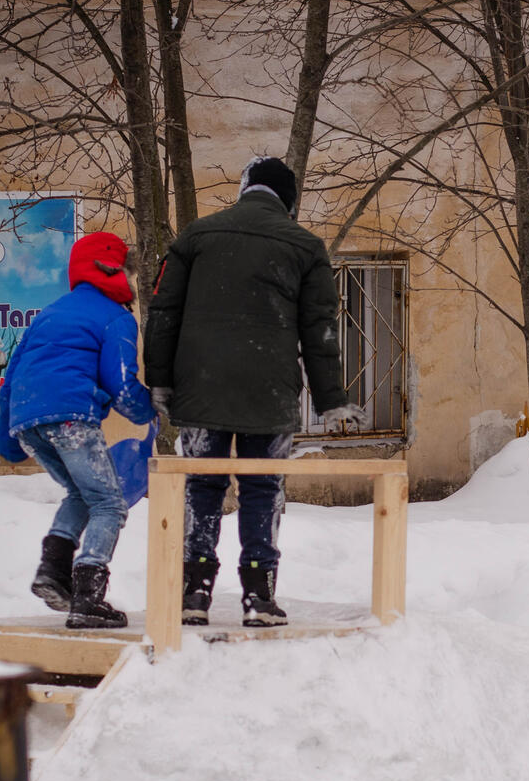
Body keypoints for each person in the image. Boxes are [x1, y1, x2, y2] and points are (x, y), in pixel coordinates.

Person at [144, 156, 364, 627]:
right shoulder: (305, 246)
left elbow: (163, 313)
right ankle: (259, 596)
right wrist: (330, 399)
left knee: (202, 485)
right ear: (288, 201)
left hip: (200, 389)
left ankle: (194, 592)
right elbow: (319, 329)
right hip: (271, 392)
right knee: (263, 488)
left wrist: (158, 380)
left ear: (245, 189)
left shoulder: (197, 236)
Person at [0, 231, 157, 629]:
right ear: (119, 271)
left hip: (27, 421)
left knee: (81, 493)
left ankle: (52, 571)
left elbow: (9, 384)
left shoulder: (47, 314)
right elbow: (121, 383)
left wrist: (10, 443)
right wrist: (149, 409)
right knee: (109, 503)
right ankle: (88, 597)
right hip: (71, 418)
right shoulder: (115, 317)